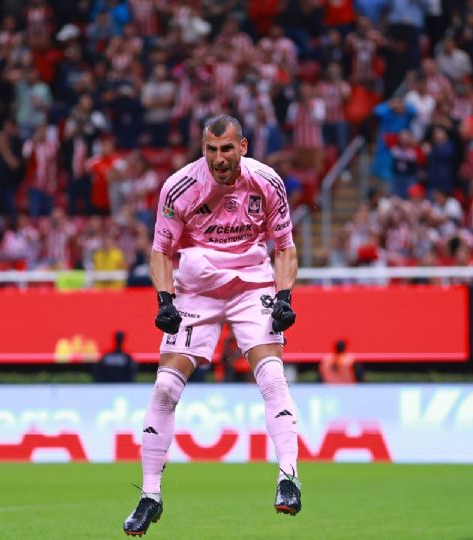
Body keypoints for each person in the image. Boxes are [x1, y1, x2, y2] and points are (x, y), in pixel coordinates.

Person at [123, 115, 301, 535]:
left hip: (251, 284)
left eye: (226, 149)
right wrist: (164, 300)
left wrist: (285, 297)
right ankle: (150, 496)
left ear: (243, 146)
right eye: (211, 150)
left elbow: (284, 246)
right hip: (196, 290)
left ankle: (288, 478)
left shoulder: (266, 181)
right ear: (203, 148)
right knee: (165, 387)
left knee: (272, 375)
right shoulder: (180, 186)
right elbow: (161, 250)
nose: (219, 159)